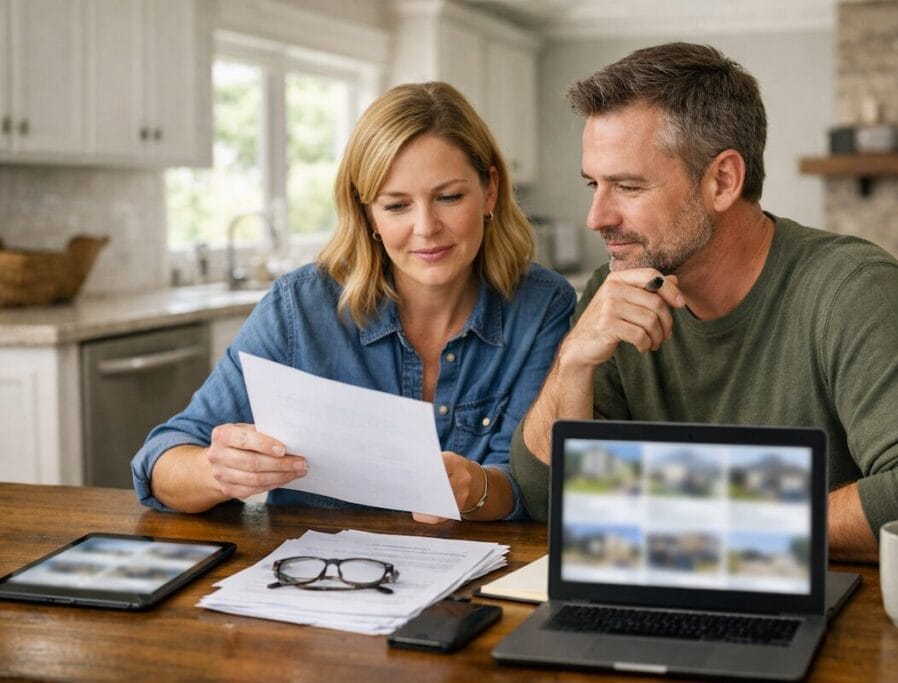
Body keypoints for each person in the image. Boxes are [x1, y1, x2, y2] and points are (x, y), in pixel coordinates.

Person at [509, 43, 898, 561]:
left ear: (722, 181)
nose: (596, 217)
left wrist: (705, 520)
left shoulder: (853, 287)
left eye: (628, 186)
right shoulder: (618, 293)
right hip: (662, 587)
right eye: (594, 184)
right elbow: (545, 499)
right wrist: (573, 361)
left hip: (829, 604)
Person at [132, 82, 576, 522]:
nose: (425, 227)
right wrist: (218, 472)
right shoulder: (300, 309)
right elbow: (159, 462)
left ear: (490, 191)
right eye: (396, 206)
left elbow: (530, 488)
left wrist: (476, 487)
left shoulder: (541, 307)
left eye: (448, 197)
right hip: (315, 563)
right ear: (368, 214)